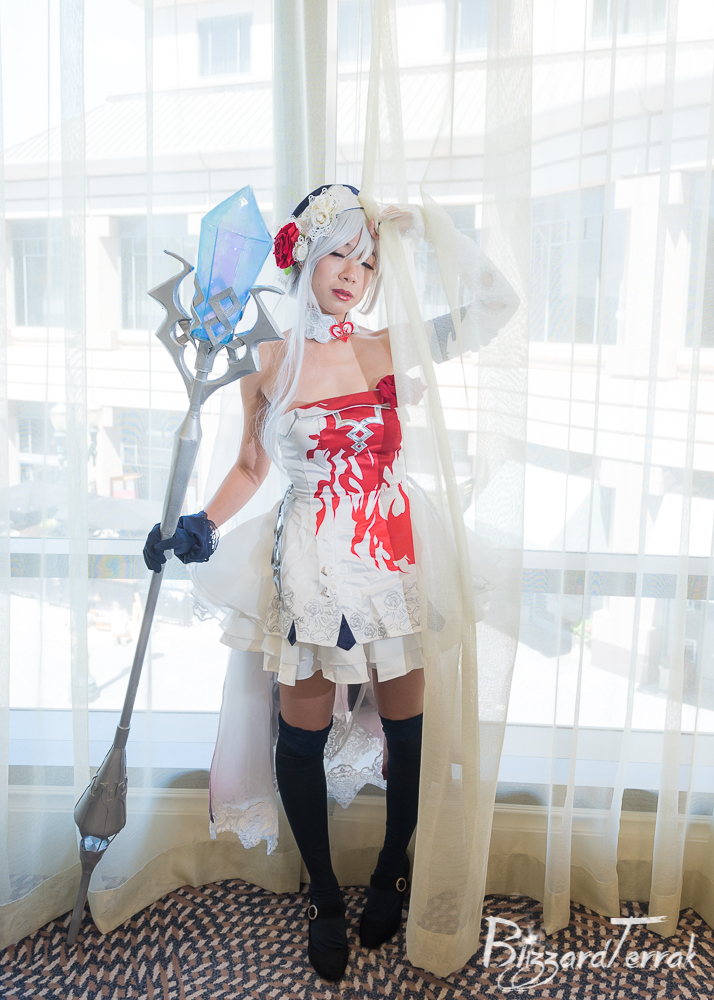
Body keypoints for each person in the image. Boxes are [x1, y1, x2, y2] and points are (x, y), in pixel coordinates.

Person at [143, 183, 518, 981]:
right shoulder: (268, 360)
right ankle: (322, 897)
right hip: (310, 562)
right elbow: (252, 466)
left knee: (409, 733)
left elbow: (497, 308)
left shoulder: (386, 346)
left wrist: (432, 230)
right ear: (305, 254)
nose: (355, 271)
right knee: (301, 737)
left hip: (391, 555)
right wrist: (199, 523)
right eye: (340, 251)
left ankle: (390, 871)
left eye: (370, 260)